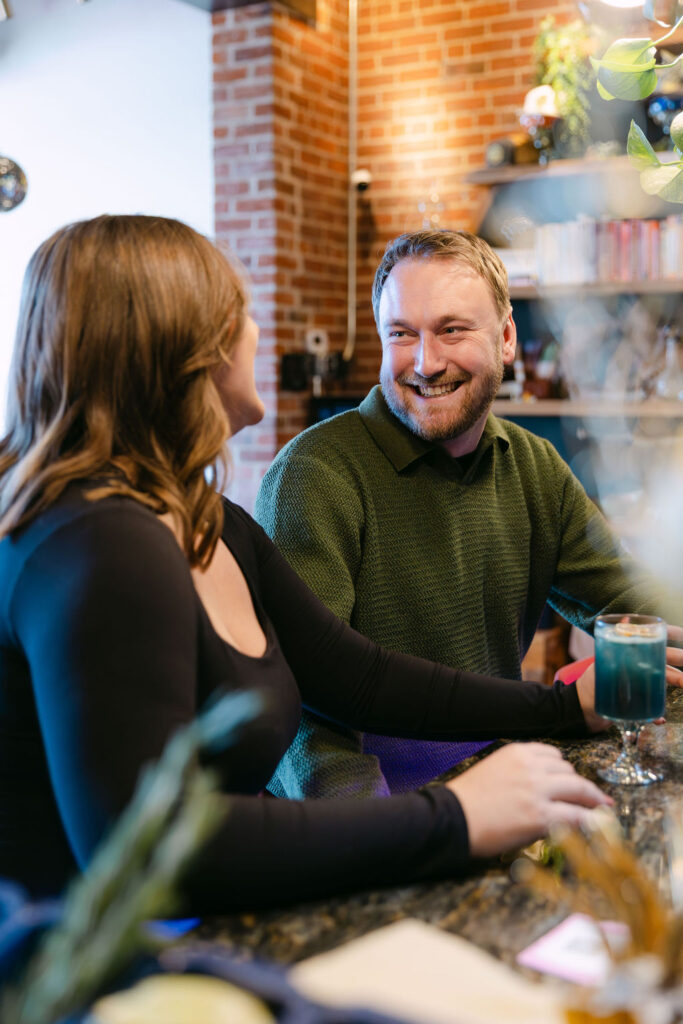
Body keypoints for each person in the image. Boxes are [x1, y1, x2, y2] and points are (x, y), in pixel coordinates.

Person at [0, 215, 615, 912]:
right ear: (182, 348)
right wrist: (453, 815)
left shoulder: (208, 518)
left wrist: (560, 708)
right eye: (240, 314)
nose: (258, 334)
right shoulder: (99, 541)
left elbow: (357, 677)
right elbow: (154, 852)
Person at [255, 229, 683, 799]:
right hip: (383, 823)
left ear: (506, 338)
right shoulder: (313, 475)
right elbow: (300, 713)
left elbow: (638, 608)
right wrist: (379, 832)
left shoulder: (531, 464)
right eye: (401, 334)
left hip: (502, 785)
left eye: (451, 330)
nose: (426, 363)